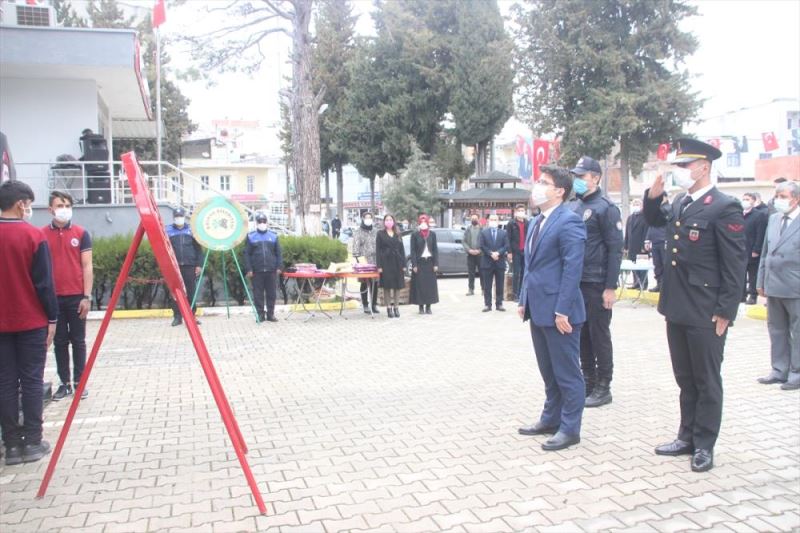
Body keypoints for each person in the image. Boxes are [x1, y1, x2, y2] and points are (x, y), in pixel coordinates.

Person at [643, 138, 746, 472]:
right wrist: (653, 196)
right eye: (679, 165)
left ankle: (704, 444)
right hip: (677, 305)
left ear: (704, 166)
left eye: (686, 165)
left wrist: (726, 311)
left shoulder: (724, 205)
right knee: (685, 378)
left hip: (705, 308)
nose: (681, 171)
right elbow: (656, 221)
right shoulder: (681, 202)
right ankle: (686, 436)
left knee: (706, 379)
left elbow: (734, 264)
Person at [517, 165, 586, 451]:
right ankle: (550, 419)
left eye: (544, 182)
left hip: (561, 312)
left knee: (567, 373)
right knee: (549, 371)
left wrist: (563, 310)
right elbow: (530, 267)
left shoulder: (569, 221)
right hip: (538, 307)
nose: (537, 186)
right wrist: (523, 299)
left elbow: (573, 269)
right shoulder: (536, 222)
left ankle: (570, 429)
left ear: (559, 191)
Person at [0, 181, 58, 465]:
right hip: (31, 320)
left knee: (5, 383)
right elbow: (45, 284)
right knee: (32, 381)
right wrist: (52, 317)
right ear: (20, 203)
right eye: (29, 203)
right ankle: (33, 442)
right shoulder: (33, 237)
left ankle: (10, 445)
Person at [569, 156, 623, 408]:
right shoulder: (574, 207)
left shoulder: (606, 208)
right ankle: (588, 380)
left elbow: (615, 249)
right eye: (576, 176)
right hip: (577, 281)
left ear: (595, 178)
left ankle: (604, 385)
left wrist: (610, 287)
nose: (578, 181)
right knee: (581, 334)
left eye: (582, 176)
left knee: (599, 334)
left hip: (597, 281)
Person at [42, 191, 93, 401]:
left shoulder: (81, 233)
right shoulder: (41, 234)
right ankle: (64, 383)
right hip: (53, 298)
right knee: (60, 341)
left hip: (76, 296)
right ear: (50, 209)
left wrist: (86, 296)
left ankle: (80, 382)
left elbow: (87, 265)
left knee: (78, 341)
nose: (63, 208)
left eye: (67, 204)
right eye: (59, 205)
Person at [756, 181, 800, 391]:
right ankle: (779, 370)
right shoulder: (773, 219)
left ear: (796, 198)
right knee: (777, 329)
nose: (778, 200)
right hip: (773, 285)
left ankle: (797, 372)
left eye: (783, 196)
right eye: (777, 196)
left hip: (795, 286)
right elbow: (765, 253)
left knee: (797, 331)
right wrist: (760, 281)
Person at [166, 207, 202, 326]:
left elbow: (198, 249)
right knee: (176, 292)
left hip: (189, 265)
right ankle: (177, 317)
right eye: (176, 216)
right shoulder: (168, 230)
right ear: (174, 217)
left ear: (184, 216)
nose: (179, 218)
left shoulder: (191, 230)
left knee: (191, 291)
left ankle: (192, 315)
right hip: (174, 267)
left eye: (180, 216)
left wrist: (198, 265)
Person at [244, 213, 283, 323]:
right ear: (256, 223)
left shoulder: (274, 236)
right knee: (258, 294)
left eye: (264, 221)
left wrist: (279, 266)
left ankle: (271, 314)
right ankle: (260, 315)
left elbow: (278, 253)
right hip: (257, 271)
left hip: (271, 270)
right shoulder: (251, 236)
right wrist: (249, 269)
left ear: (267, 222)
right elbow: (246, 254)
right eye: (260, 221)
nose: (262, 223)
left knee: (272, 294)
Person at [376, 214, 405, 318]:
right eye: (387, 220)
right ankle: (389, 308)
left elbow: (402, 250)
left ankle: (396, 307)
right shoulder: (380, 234)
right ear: (384, 222)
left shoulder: (398, 233)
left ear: (393, 221)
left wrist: (404, 264)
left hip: (397, 262)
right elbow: (378, 251)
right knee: (387, 287)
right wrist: (379, 266)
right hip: (385, 262)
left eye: (390, 219)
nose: (388, 221)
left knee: (397, 286)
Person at [479, 213, 510, 312]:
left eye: (495, 219)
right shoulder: (483, 232)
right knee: (487, 285)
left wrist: (498, 253)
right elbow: (482, 245)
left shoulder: (503, 233)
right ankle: (487, 304)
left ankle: (499, 304)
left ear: (498, 221)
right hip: (487, 262)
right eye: (491, 219)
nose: (493, 221)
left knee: (499, 284)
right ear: (488, 221)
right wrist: (491, 254)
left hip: (499, 262)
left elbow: (506, 245)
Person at [409, 214, 439, 314]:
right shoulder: (415, 235)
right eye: (421, 222)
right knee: (420, 286)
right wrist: (414, 265)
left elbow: (435, 250)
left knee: (429, 286)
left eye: (424, 221)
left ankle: (428, 306)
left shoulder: (432, 234)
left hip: (429, 263)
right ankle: (421, 307)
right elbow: (412, 251)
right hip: (420, 263)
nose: (423, 223)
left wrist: (436, 264)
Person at [742, 192, 768, 305]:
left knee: (752, 275)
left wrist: (756, 249)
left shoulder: (759, 215)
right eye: (743, 199)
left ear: (753, 201)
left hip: (752, 249)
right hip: (740, 249)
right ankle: (741, 295)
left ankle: (753, 295)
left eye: (747, 199)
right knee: (741, 274)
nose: (745, 201)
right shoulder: (739, 214)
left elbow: (760, 233)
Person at [352, 212, 379, 314]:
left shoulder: (375, 231)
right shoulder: (358, 232)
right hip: (363, 262)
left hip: (375, 261)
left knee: (375, 284)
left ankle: (374, 304)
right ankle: (365, 304)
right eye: (366, 218)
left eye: (370, 217)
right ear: (362, 219)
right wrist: (359, 260)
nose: (368, 219)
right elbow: (355, 248)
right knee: (364, 283)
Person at [624, 198, 649, 290]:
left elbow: (647, 232)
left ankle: (643, 283)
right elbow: (627, 233)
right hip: (631, 246)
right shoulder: (630, 217)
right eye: (634, 204)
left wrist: (644, 246)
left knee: (642, 266)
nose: (636, 206)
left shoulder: (645, 217)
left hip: (641, 246)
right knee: (633, 266)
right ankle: (636, 283)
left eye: (638, 204)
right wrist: (625, 246)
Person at [506, 205, 528, 301]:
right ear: (515, 212)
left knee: (524, 273)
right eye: (519, 210)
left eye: (522, 210)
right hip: (516, 252)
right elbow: (508, 238)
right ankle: (515, 294)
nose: (521, 212)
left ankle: (522, 293)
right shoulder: (511, 223)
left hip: (525, 251)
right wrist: (509, 252)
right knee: (516, 273)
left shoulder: (528, 223)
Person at [463, 213, 483, 296]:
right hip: (470, 254)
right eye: (472, 218)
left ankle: (484, 289)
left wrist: (480, 250)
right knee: (471, 273)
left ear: (478, 219)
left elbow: (485, 241)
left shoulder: (482, 230)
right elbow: (464, 241)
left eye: (475, 218)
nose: (474, 220)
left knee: (482, 273)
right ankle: (471, 289)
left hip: (480, 255)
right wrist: (469, 250)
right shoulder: (467, 229)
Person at [646, 222, 667, 293]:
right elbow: (650, 227)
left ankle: (666, 286)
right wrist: (647, 240)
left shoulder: (667, 212)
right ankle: (659, 284)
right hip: (654, 242)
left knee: (665, 264)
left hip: (664, 241)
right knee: (657, 264)